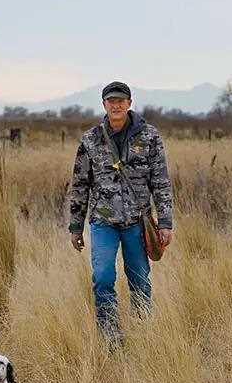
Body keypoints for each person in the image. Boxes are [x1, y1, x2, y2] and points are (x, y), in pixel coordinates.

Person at [67, 81, 174, 348]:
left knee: (139, 280)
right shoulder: (91, 139)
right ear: (104, 104)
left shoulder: (149, 136)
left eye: (121, 100)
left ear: (129, 103)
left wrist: (165, 222)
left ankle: (143, 334)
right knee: (103, 279)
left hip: (137, 222)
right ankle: (110, 338)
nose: (116, 105)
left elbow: (161, 182)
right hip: (103, 222)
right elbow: (80, 185)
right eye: (111, 100)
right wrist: (75, 227)